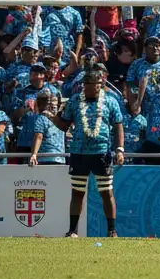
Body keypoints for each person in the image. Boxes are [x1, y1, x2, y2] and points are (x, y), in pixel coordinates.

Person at [53, 69, 125, 238]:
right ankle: (72, 231)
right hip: (79, 152)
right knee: (77, 192)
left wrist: (120, 149)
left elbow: (118, 125)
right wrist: (52, 116)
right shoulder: (75, 100)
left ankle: (112, 230)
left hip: (102, 152)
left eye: (89, 84)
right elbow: (63, 125)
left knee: (106, 191)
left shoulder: (110, 101)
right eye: (84, 84)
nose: (85, 87)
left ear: (99, 85)